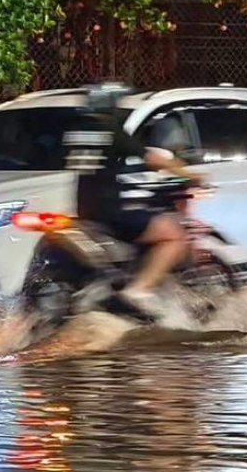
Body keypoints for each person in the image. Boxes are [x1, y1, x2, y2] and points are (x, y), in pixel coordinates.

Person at [64, 82, 204, 315]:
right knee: (174, 236)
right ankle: (138, 291)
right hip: (110, 211)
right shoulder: (110, 130)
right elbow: (152, 158)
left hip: (85, 211)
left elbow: (99, 165)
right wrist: (189, 173)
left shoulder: (77, 132)